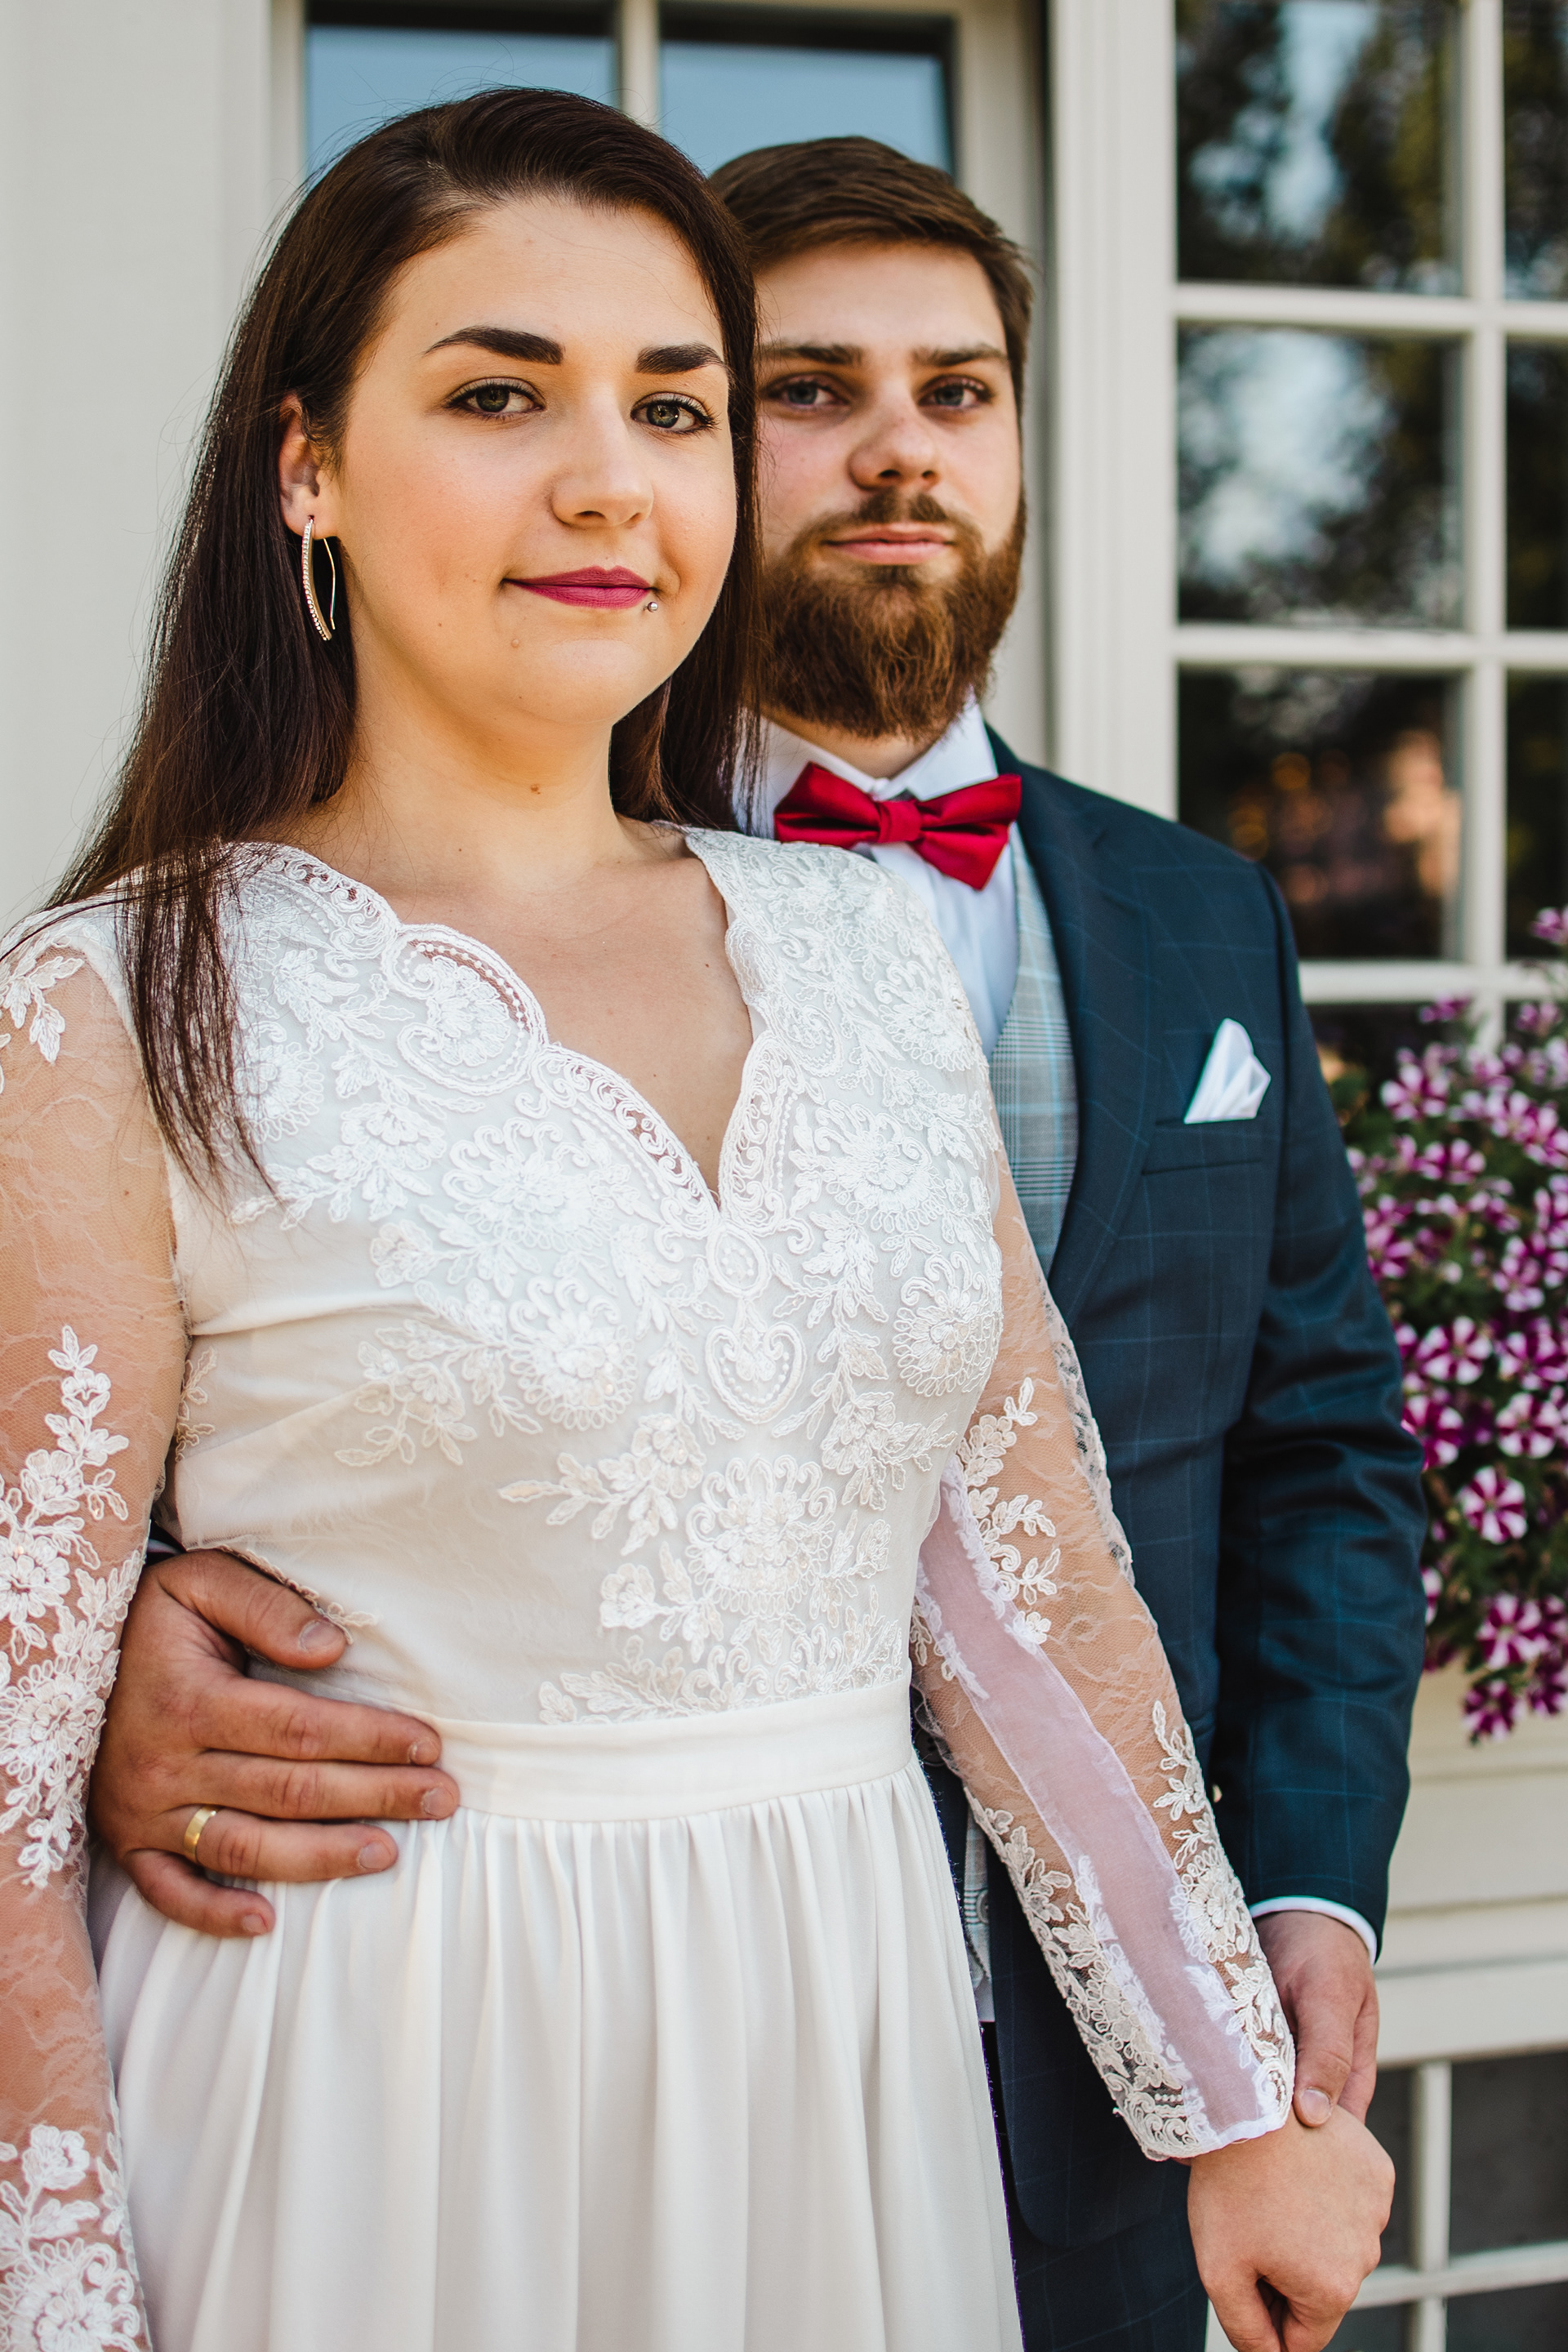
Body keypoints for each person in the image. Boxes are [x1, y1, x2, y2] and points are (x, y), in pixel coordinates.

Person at [0, 95, 1392, 2352]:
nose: (605, 480)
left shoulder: (853, 954)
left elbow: (1021, 1582)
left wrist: (1235, 2092)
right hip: (372, 2075)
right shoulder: (122, 1001)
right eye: (498, 396)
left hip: (836, 2066)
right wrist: (55, 2287)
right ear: (305, 466)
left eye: (670, 407)